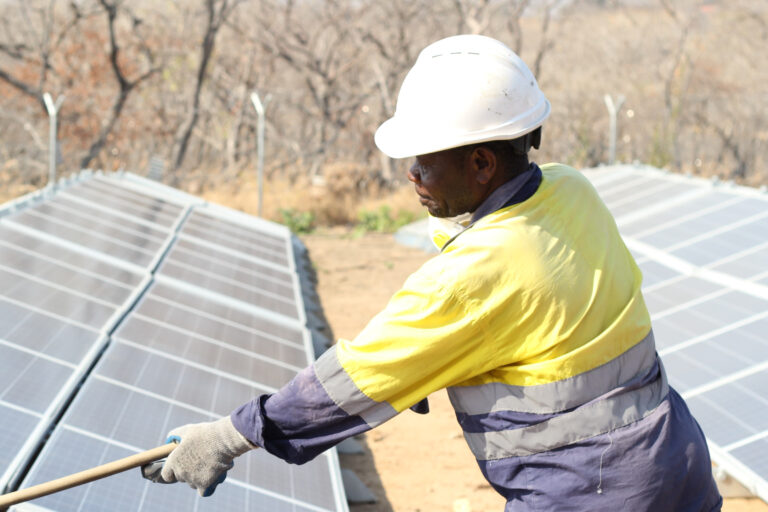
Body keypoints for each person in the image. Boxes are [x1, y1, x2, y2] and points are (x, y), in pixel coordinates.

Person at [143, 35, 722, 511]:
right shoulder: (572, 190)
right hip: (675, 467)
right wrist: (442, 358)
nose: (412, 174)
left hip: (588, 494)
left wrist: (232, 434)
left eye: (425, 160)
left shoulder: (473, 276)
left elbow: (355, 377)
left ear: (480, 162)